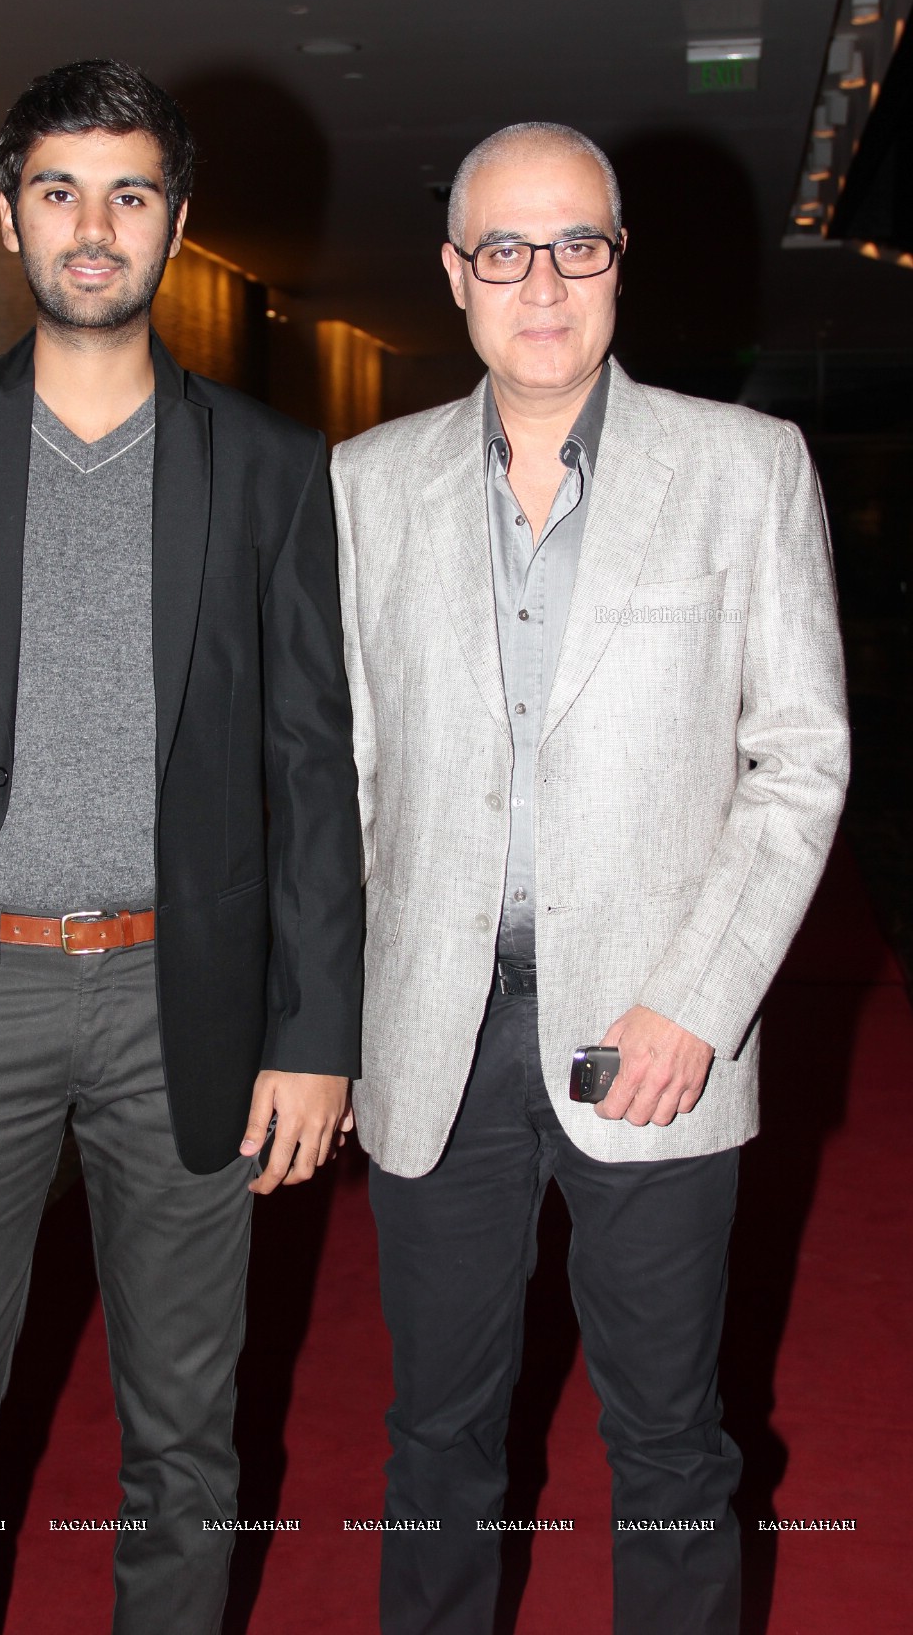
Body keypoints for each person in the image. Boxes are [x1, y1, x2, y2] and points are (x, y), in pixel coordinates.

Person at [0, 58, 362, 1635]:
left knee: (188, 1440)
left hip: (186, 1002)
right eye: (57, 191)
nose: (90, 227)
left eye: (127, 193)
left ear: (177, 223)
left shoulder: (265, 466)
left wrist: (314, 1036)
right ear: (9, 212)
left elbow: (314, 760)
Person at [329, 121, 848, 1635]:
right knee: (434, 1437)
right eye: (504, 246)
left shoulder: (746, 469)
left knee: (671, 1439)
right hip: (435, 1029)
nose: (540, 279)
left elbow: (800, 761)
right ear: (453, 273)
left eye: (577, 244)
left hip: (659, 1028)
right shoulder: (367, 486)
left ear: (620, 263)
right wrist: (336, 1022)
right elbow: (343, 781)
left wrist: (700, 1001)